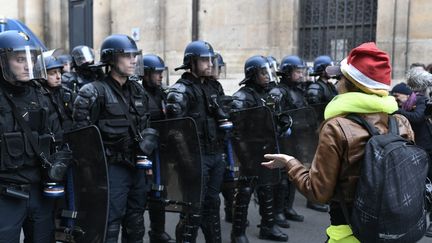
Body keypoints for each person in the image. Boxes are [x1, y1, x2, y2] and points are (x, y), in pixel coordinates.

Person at [262, 42, 414, 242]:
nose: (336, 83)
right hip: (396, 230)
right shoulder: (401, 122)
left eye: (340, 77)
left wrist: (290, 162)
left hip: (351, 232)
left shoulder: (337, 127)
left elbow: (318, 192)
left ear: (352, 83)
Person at [73, 34, 155, 243]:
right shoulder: (92, 92)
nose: (133, 60)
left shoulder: (138, 90)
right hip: (110, 169)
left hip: (136, 166)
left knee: (136, 221)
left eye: (134, 55)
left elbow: (145, 124)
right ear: (110, 60)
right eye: (126, 56)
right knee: (109, 223)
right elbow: (81, 138)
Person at [0, 30, 70, 242]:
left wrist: (59, 164)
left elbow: (58, 139)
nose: (26, 65)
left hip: (39, 190)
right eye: (20, 59)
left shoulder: (40, 95)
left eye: (30, 58)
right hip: (5, 193)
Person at [166, 40, 226, 243]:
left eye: (211, 59)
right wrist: (187, 161)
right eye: (204, 60)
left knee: (212, 204)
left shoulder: (214, 86)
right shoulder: (181, 90)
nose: (210, 64)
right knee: (193, 208)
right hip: (194, 157)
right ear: (191, 62)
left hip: (215, 154)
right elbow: (174, 131)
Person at [230, 55, 288, 243]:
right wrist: (245, 159)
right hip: (248, 153)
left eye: (268, 72)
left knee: (267, 188)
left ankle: (267, 227)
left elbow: (270, 124)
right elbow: (236, 133)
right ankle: (238, 233)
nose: (267, 76)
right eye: (263, 73)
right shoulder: (241, 97)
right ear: (252, 74)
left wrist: (283, 124)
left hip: (266, 149)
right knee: (245, 192)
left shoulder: (268, 95)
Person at [137, 53, 175, 243]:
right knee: (142, 193)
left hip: (161, 150)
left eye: (162, 72)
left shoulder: (161, 93)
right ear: (146, 74)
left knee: (159, 191)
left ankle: (157, 231)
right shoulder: (138, 93)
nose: (160, 76)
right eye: (157, 73)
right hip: (145, 151)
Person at [400, 69, 432, 237]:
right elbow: (418, 117)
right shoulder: (419, 99)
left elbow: (418, 117)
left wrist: (398, 111)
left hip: (422, 145)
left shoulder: (415, 99)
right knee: (426, 184)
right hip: (423, 146)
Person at [40, 53, 75, 131]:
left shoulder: (66, 92)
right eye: (53, 73)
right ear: (42, 75)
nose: (58, 77)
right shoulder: (38, 96)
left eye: (59, 72)